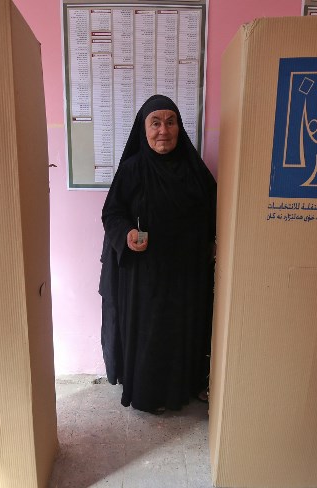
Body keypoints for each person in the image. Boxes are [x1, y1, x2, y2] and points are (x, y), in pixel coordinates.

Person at [99, 94, 217, 414]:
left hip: (187, 274)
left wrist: (213, 241)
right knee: (151, 334)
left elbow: (215, 211)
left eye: (170, 122)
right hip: (145, 275)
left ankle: (184, 388)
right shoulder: (132, 170)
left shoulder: (194, 171)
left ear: (179, 128)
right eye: (155, 123)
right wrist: (127, 234)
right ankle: (150, 394)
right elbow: (112, 213)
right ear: (144, 129)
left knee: (183, 331)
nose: (163, 130)